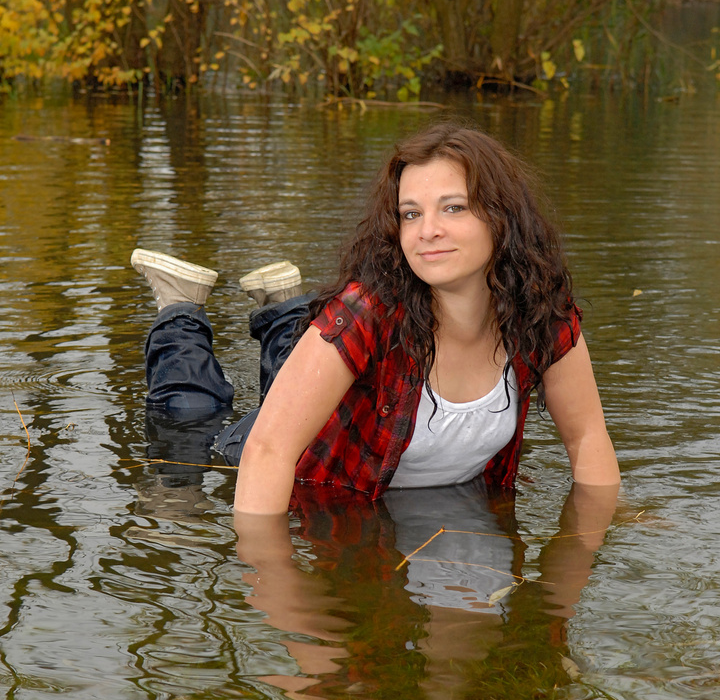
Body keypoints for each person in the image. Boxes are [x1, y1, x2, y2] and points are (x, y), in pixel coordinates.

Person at [132, 121, 620, 516]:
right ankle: (180, 308)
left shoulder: (541, 315)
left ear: (502, 217)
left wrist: (585, 559)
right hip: (287, 457)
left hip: (339, 395)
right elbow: (267, 452)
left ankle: (283, 309)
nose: (427, 231)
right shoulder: (365, 313)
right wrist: (274, 586)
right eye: (410, 214)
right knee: (191, 420)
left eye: (453, 207)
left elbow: (587, 439)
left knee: (301, 365)